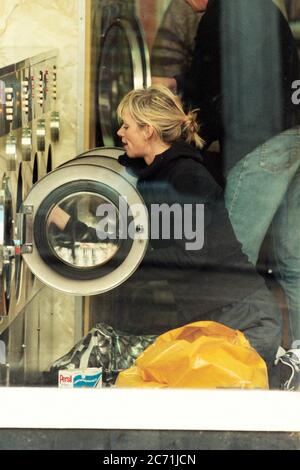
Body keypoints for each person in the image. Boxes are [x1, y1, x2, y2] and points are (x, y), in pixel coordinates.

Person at [116, 84, 282, 387]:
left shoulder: (185, 178)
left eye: (126, 125)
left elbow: (194, 254)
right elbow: (129, 235)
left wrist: (128, 260)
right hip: (216, 317)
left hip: (243, 321)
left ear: (148, 130)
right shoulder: (155, 176)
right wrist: (68, 223)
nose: (119, 132)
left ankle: (284, 373)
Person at [165, 0, 300, 357]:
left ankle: (229, 360)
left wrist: (193, 139)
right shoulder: (257, 7)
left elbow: (224, 90)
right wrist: (179, 82)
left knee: (229, 260)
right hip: (293, 132)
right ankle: (298, 356)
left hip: (261, 141)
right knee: (294, 259)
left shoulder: (222, 15)